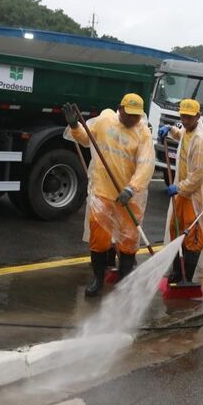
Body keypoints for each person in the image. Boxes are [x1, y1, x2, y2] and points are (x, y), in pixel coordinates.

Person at [64, 93, 155, 297]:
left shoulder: (143, 133)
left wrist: (131, 188)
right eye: (129, 114)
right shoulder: (105, 120)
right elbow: (86, 139)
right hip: (103, 191)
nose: (132, 119)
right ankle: (98, 278)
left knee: (128, 240)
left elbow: (146, 165)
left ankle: (124, 279)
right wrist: (75, 126)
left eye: (136, 115)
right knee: (99, 238)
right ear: (119, 108)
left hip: (129, 196)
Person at [157, 99, 203, 286]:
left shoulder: (202, 140)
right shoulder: (188, 131)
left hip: (194, 196)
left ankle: (186, 277)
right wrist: (170, 129)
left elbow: (198, 175)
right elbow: (182, 135)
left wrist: (179, 187)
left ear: (198, 116)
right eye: (182, 116)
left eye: (189, 117)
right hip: (183, 192)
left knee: (192, 236)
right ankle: (177, 272)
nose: (185, 119)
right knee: (176, 230)